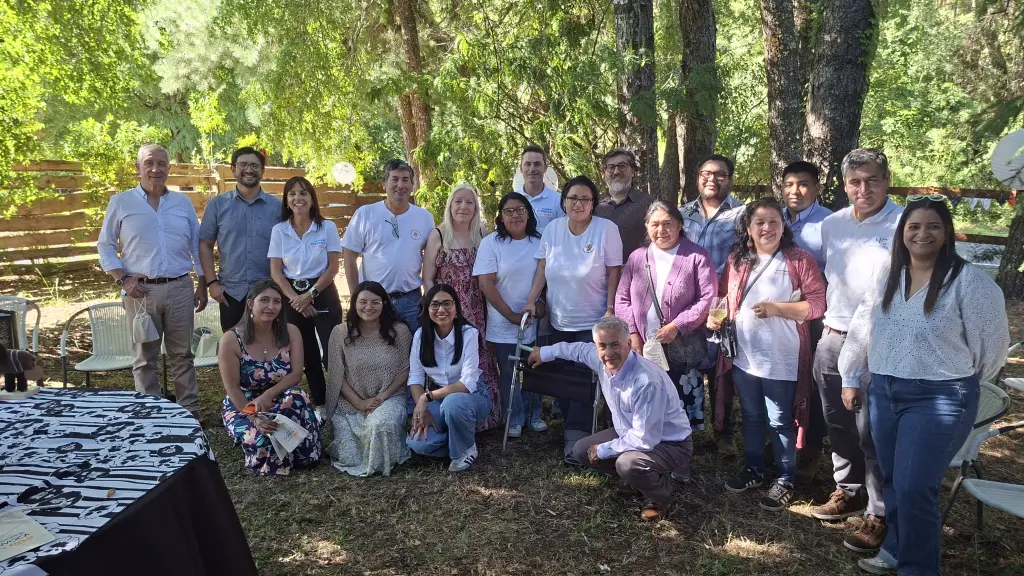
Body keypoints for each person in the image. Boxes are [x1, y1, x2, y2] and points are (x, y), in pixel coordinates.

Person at [839, 197, 1009, 575]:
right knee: (893, 479)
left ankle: (917, 567)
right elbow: (864, 326)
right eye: (914, 226)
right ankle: (897, 548)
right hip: (884, 389)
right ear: (902, 233)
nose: (922, 233)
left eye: (933, 226)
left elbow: (991, 352)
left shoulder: (971, 284)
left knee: (916, 486)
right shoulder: (889, 275)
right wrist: (851, 375)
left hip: (941, 396)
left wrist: (955, 381)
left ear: (947, 233)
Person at [810, 148, 903, 554]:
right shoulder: (832, 225)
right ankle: (847, 489)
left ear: (887, 181)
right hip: (833, 335)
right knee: (838, 422)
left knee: (874, 429)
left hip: (881, 341)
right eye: (854, 182)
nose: (863, 189)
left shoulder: (904, 223)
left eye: (872, 180)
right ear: (845, 184)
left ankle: (879, 510)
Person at [707, 197, 826, 511]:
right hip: (744, 355)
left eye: (774, 221)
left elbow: (817, 304)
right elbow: (721, 296)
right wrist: (714, 315)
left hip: (782, 357)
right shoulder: (738, 260)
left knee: (780, 420)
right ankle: (754, 469)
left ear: (783, 224)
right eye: (759, 222)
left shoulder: (799, 260)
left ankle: (786, 478)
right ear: (748, 228)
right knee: (751, 415)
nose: (767, 228)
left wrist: (779, 309)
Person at [528, 316, 693, 521]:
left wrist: (604, 449)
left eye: (615, 345)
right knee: (580, 450)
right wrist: (544, 353)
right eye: (602, 346)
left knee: (626, 463)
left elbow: (645, 439)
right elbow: (577, 349)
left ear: (629, 344)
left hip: (670, 442)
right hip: (629, 432)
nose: (608, 353)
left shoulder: (646, 381)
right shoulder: (600, 358)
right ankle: (637, 481)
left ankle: (658, 496)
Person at [96, 144, 206, 420]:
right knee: (145, 357)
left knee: (183, 355)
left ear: (169, 168)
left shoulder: (182, 203)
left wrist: (203, 282)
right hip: (139, 293)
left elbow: (196, 244)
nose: (155, 169)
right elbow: (106, 245)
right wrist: (122, 279)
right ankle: (151, 415)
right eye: (149, 163)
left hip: (180, 287)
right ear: (138, 167)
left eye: (161, 164)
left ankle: (188, 413)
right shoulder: (120, 202)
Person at [525, 175, 623, 463]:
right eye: (572, 198)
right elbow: (542, 267)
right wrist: (533, 298)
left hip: (593, 321)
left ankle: (575, 441)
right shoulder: (553, 229)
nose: (578, 203)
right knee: (563, 376)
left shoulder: (606, 229)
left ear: (593, 204)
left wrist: (609, 308)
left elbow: (614, 271)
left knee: (582, 380)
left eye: (585, 198)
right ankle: (573, 428)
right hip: (558, 319)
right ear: (563, 201)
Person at [614, 200, 717, 429]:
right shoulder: (637, 257)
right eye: (655, 224)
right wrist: (632, 333)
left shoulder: (696, 257)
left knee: (677, 403)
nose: (661, 230)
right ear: (647, 226)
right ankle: (647, 445)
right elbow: (622, 298)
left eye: (668, 223)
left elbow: (707, 297)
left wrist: (678, 325)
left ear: (680, 225)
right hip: (643, 346)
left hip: (681, 345)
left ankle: (678, 450)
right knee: (646, 397)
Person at [217, 280, 321, 476]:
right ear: (250, 304)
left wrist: (268, 396)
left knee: (297, 396)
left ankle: (301, 452)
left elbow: (296, 374)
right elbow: (232, 388)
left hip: (282, 395)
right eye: (264, 300)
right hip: (245, 403)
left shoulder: (291, 331)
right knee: (265, 443)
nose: (271, 307)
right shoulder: (231, 339)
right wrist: (255, 417)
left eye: (276, 301)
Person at [422, 184, 502, 430]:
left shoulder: (483, 234)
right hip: (446, 311)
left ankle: (484, 418)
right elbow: (427, 278)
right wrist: (436, 309)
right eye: (458, 202)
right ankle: (446, 415)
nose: (463, 207)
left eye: (469, 202)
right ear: (450, 205)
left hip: (477, 309)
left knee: (478, 360)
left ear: (476, 207)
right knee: (449, 358)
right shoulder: (439, 234)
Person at [681, 153, 745, 454]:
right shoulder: (681, 215)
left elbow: (747, 261)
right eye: (706, 173)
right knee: (687, 367)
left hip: (725, 307)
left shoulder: (743, 216)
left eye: (720, 174)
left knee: (723, 373)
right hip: (687, 308)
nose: (712, 178)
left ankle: (724, 432)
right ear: (697, 178)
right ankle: (685, 429)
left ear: (729, 179)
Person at [473, 192, 548, 437]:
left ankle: (534, 414)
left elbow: (548, 278)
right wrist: (511, 316)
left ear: (529, 213)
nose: (515, 215)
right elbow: (486, 284)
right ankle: (513, 417)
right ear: (501, 217)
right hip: (503, 323)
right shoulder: (491, 243)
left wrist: (538, 306)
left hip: (534, 319)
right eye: (509, 211)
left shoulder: (540, 241)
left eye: (520, 210)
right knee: (508, 372)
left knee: (534, 367)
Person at [268, 176, 344, 419]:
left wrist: (310, 295)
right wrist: (296, 300)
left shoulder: (326, 227)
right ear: (286, 201)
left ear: (312, 199)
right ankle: (320, 403)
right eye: (292, 194)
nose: (298, 198)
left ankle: (341, 402)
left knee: (332, 352)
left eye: (303, 194)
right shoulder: (279, 230)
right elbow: (275, 272)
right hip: (291, 296)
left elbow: (333, 267)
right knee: (306, 353)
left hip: (322, 292)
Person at [325, 281, 413, 477]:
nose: (369, 307)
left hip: (389, 398)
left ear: (384, 304)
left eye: (375, 302)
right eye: (363, 302)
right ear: (354, 303)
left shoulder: (399, 331)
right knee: (351, 457)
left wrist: (382, 397)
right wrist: (359, 402)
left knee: (379, 427)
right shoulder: (339, 333)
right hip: (350, 403)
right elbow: (336, 374)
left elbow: (406, 369)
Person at [781, 160, 832, 483]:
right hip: (776, 317)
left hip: (813, 316)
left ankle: (811, 447)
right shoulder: (775, 220)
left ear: (816, 187)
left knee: (811, 382)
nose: (795, 191)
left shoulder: (829, 224)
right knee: (782, 377)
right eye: (789, 184)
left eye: (802, 184)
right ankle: (783, 440)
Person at [406, 284, 491, 472]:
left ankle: (465, 450)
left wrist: (427, 397)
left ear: (456, 309)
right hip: (438, 398)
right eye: (435, 305)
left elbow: (467, 383)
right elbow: (415, 378)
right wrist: (423, 407)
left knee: (453, 404)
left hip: (472, 396)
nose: (441, 309)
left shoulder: (469, 333)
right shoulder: (421, 336)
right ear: (427, 309)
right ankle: (459, 437)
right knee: (418, 444)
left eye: (447, 304)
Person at [342, 159, 435, 330]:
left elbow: (431, 260)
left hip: (411, 301)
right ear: (384, 184)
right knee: (375, 351)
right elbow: (349, 258)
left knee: (411, 352)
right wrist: (357, 297)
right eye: (395, 179)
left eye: (406, 179)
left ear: (413, 185)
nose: (400, 184)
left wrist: (427, 295)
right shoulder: (365, 214)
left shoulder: (424, 218)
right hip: (374, 301)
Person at [199, 147, 282, 330]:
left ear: (262, 171)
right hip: (231, 293)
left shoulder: (278, 207)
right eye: (243, 164)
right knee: (233, 349)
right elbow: (205, 245)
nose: (249, 170)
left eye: (254, 165)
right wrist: (212, 283)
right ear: (233, 169)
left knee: (270, 348)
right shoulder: (217, 205)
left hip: (269, 292)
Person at [595, 148, 655, 258]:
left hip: (636, 273)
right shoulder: (594, 206)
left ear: (633, 171)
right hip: (599, 273)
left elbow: (655, 243)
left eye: (622, 166)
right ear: (603, 174)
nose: (616, 172)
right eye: (611, 167)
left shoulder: (650, 204)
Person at [519, 145, 565, 231]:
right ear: (521, 168)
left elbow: (561, 235)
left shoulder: (558, 201)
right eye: (528, 164)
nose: (532, 169)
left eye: (537, 164)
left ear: (545, 168)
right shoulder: (511, 201)